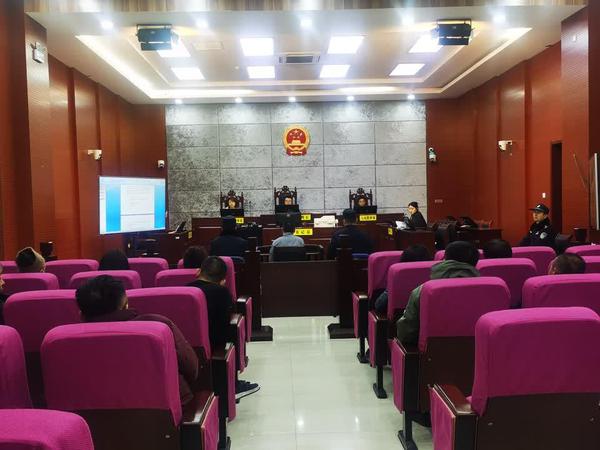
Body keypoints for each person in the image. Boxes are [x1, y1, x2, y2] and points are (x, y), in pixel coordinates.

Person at [75, 275, 198, 406]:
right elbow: (192, 369)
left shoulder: (66, 340)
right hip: (165, 414)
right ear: (126, 304)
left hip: (86, 417)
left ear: (81, 313)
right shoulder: (156, 326)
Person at [187, 257, 260, 400]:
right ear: (223, 280)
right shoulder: (222, 292)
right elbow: (224, 327)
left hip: (187, 350)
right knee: (234, 327)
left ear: (198, 272)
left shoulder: (186, 290)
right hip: (214, 350)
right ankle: (234, 385)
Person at [396, 241, 480, 345]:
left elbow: (406, 333)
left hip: (432, 352)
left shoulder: (424, 290)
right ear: (475, 262)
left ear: (445, 260)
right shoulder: (491, 290)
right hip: (480, 349)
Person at [374, 245, 432, 314]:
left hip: (398, 318)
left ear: (403, 261)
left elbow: (379, 305)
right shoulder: (434, 273)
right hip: (427, 315)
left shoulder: (397, 276)